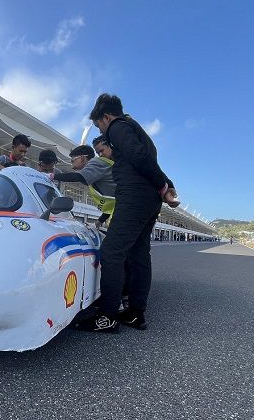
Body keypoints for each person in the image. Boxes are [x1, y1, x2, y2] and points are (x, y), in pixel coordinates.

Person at [76, 93, 179, 333]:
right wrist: (166, 184)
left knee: (111, 251)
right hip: (149, 199)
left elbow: (138, 157)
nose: (102, 131)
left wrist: (163, 186)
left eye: (99, 124)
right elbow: (149, 159)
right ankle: (135, 312)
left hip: (134, 196)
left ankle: (107, 316)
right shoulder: (137, 129)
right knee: (139, 253)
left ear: (106, 116)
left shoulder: (118, 127)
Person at [48, 144, 116, 229]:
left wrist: (53, 176)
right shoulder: (99, 172)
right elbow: (111, 204)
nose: (72, 166)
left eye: (73, 160)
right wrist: (97, 223)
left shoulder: (95, 162)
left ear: (82, 158)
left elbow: (79, 177)